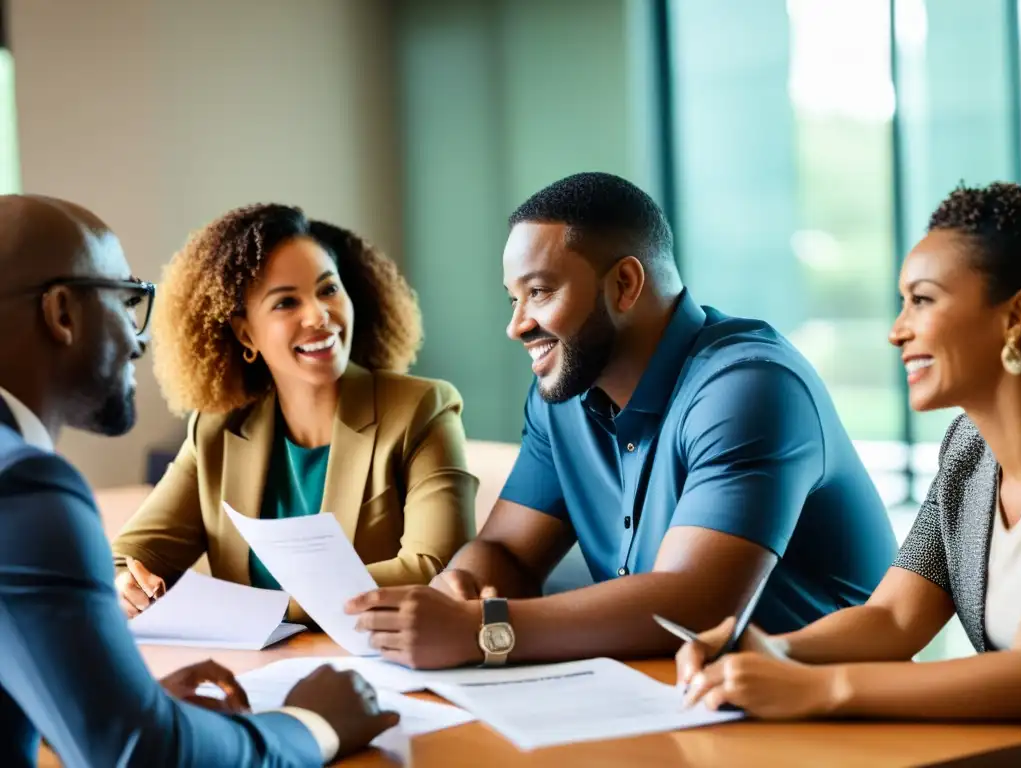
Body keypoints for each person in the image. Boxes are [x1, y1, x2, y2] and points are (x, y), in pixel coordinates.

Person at [344, 171, 897, 670]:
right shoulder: (562, 395)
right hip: (672, 693)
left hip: (826, 710)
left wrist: (483, 630)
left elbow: (694, 602)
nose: (517, 325)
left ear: (625, 285)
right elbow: (509, 551)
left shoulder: (749, 386)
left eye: (538, 292)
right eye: (513, 298)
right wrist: (458, 589)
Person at [0, 194, 398, 766]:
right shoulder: (25, 487)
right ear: (62, 313)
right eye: (126, 300)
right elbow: (142, 754)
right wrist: (312, 723)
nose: (139, 341)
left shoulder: (420, 407)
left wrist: (130, 703)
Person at [676, 181, 1021, 721]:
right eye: (901, 303)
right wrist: (771, 648)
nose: (896, 331)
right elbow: (892, 617)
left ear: (1016, 315)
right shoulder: (968, 452)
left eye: (922, 300)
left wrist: (819, 689)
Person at [111, 205, 476, 621]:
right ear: (245, 332)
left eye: (328, 290)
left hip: (376, 669)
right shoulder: (218, 428)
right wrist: (127, 584)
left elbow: (437, 570)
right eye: (286, 302)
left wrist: (266, 608)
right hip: (253, 673)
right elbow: (130, 557)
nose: (319, 315)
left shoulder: (423, 409)